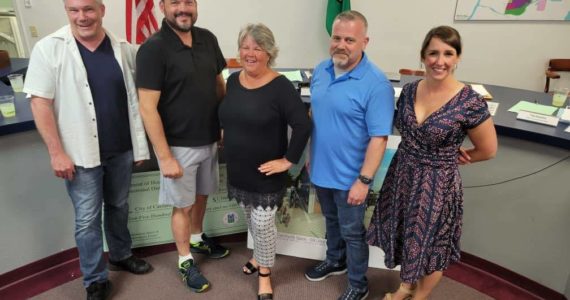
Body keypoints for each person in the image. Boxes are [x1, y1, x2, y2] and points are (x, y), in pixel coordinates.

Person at [24, 0, 152, 299]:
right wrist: (56, 152)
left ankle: (120, 254)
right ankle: (95, 279)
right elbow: (39, 102)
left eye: (89, 9)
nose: (82, 17)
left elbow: (143, 90)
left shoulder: (123, 47)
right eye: (74, 10)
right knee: (87, 219)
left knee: (119, 207)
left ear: (102, 10)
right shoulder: (49, 48)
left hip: (122, 149)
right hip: (80, 155)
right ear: (67, 11)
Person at [366, 26, 498, 300]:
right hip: (402, 175)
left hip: (437, 185)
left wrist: (456, 157)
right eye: (433, 53)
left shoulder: (470, 102)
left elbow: (488, 149)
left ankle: (419, 296)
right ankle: (406, 286)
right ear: (423, 56)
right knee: (406, 237)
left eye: (448, 53)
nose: (440, 61)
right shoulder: (409, 91)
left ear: (458, 57)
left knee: (430, 247)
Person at [136, 0, 228, 293]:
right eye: (175, 2)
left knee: (202, 195)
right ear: (163, 6)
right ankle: (185, 260)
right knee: (182, 205)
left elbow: (218, 84)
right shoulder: (153, 48)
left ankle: (198, 238)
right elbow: (147, 108)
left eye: (188, 2)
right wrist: (164, 157)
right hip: (177, 146)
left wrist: (222, 122)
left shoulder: (208, 38)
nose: (183, 8)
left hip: (209, 137)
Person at [305, 10, 395, 300]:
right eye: (336, 37)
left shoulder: (376, 84)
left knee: (353, 232)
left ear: (365, 42)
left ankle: (358, 282)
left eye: (349, 39)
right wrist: (310, 156)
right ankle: (335, 261)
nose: (341, 44)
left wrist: (364, 180)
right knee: (330, 221)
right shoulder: (321, 70)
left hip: (351, 178)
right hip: (320, 169)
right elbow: (315, 114)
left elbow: (379, 138)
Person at [219, 23, 312, 300]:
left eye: (257, 48)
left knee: (262, 224)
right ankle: (259, 257)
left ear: (269, 52)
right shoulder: (233, 80)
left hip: (266, 173)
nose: (250, 53)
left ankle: (265, 276)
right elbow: (228, 113)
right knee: (250, 218)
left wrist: (288, 161)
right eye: (245, 47)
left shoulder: (280, 86)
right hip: (239, 168)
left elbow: (303, 126)